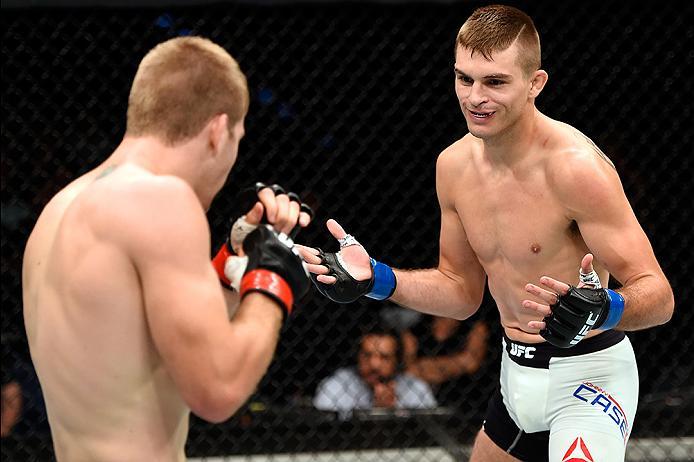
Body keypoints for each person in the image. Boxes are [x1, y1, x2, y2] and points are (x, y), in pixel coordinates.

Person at [298, 4, 674, 461]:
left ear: (535, 84)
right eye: (464, 78)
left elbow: (659, 298)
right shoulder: (453, 166)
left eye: (495, 82)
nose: (475, 97)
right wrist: (378, 280)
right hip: (515, 378)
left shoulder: (575, 170)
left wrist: (607, 308)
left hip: (588, 380)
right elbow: (460, 291)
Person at [22, 36, 312, 462]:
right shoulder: (162, 200)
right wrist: (276, 274)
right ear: (218, 131)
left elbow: (145, 354)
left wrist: (236, 261)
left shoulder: (60, 208)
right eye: (238, 138)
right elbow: (218, 389)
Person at [313, 322, 437, 419]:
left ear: (397, 360)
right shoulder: (336, 386)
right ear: (357, 356)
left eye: (384, 357)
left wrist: (392, 411)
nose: (374, 365)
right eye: (367, 355)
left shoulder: (415, 388)